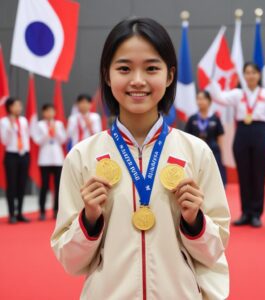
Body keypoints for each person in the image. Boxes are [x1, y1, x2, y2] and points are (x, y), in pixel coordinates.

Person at [51, 18, 230, 300]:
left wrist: (194, 222)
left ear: (169, 76)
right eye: (124, 68)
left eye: (151, 68)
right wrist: (89, 219)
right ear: (107, 76)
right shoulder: (82, 157)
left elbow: (215, 250)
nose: (137, 80)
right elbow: (71, 261)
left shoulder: (196, 153)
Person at [208, 62, 265, 227]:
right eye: (247, 72)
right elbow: (219, 98)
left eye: (253, 72)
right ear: (243, 75)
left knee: (258, 175)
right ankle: (245, 212)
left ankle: (256, 213)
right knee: (244, 174)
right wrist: (212, 82)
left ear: (259, 75)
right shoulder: (237, 94)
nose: (250, 76)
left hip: (260, 132)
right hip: (242, 133)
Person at [31, 104, 67, 220]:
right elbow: (38, 141)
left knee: (58, 186)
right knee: (44, 186)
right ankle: (42, 211)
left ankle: (56, 210)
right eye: (47, 111)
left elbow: (63, 139)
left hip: (57, 159)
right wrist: (48, 133)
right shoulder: (40, 125)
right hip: (45, 159)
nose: (50, 113)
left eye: (52, 111)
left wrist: (55, 131)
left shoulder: (59, 124)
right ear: (43, 113)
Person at [185, 90, 227, 185]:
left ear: (209, 101)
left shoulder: (215, 118)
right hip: (196, 152)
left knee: (215, 178)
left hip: (213, 151)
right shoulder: (192, 118)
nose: (200, 101)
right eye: (198, 99)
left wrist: (221, 153)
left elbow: (220, 136)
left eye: (203, 99)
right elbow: (187, 136)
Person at [0, 97, 30, 224]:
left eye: (20, 105)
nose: (19, 108)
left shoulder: (23, 120)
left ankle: (20, 213)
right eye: (16, 105)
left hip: (24, 154)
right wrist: (11, 127)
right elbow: (5, 141)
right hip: (11, 154)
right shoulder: (4, 122)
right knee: (11, 185)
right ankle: (11, 213)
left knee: (22, 184)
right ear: (10, 107)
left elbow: (26, 137)